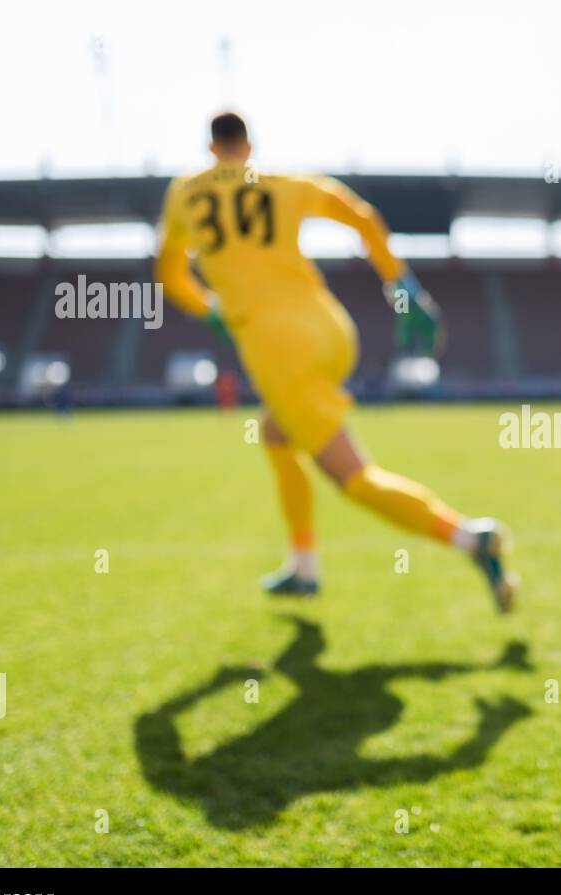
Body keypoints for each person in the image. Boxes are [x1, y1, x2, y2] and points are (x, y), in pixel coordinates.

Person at [154, 112, 515, 611]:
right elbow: (362, 218)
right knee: (276, 433)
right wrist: (405, 292)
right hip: (330, 328)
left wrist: (211, 309)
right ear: (249, 146)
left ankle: (473, 539)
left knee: (356, 479)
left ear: (211, 148)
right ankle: (304, 566)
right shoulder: (282, 184)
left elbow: (171, 275)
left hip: (277, 348)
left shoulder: (184, 193)